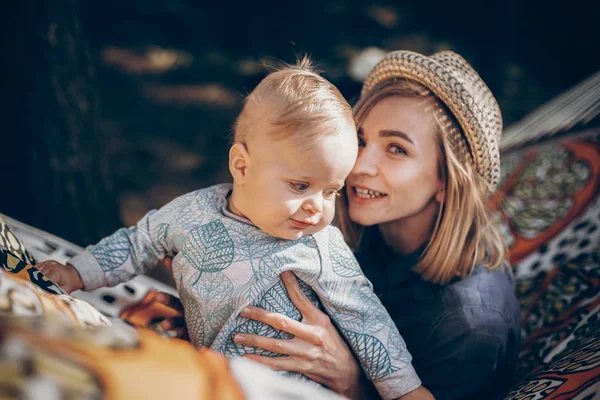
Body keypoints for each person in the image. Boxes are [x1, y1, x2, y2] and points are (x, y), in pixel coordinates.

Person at [35, 58, 430, 399]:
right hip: (215, 375)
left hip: (288, 388)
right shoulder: (191, 213)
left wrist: (405, 390)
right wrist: (76, 271)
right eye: (300, 185)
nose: (317, 205)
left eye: (331, 191)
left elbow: (366, 318)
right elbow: (138, 242)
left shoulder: (320, 247)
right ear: (242, 166)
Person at [227, 51, 521, 400]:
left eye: (396, 149)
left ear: (447, 181)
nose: (361, 165)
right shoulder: (361, 241)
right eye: (362, 140)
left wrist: (352, 381)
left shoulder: (469, 324)